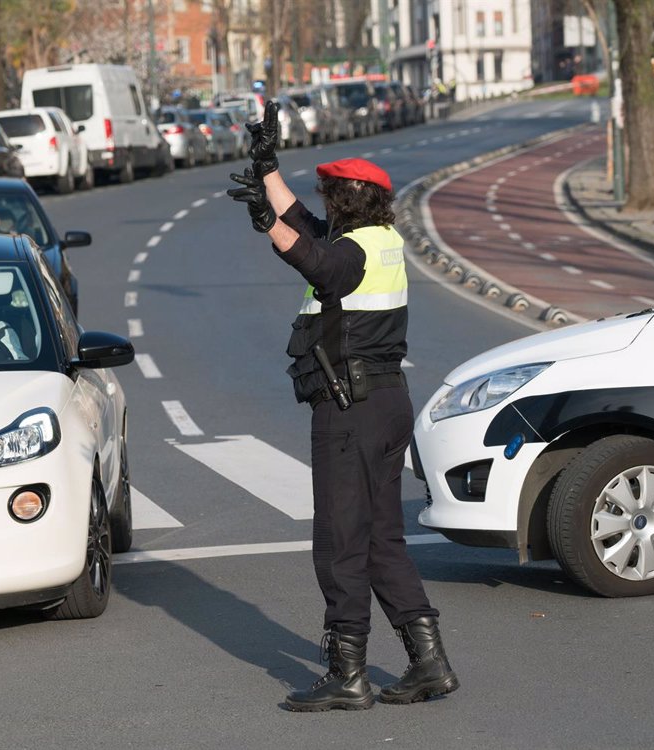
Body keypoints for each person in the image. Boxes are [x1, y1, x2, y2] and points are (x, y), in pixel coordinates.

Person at [228, 101, 459, 712]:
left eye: (330, 192)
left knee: (339, 540)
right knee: (383, 538)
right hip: (386, 402)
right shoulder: (379, 240)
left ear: (348, 198)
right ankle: (428, 662)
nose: (322, 200)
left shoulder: (351, 252)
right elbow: (303, 224)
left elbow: (319, 263)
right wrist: (267, 168)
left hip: (349, 408)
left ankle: (347, 673)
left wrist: (265, 228)